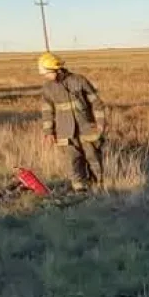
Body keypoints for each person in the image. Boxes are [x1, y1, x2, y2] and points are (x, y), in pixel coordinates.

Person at [37, 51, 108, 192]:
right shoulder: (48, 89)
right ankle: (79, 190)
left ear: (55, 69)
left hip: (87, 128)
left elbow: (96, 103)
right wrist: (49, 132)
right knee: (73, 161)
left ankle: (99, 187)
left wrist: (100, 124)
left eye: (46, 73)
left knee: (93, 157)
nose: (45, 76)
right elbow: (47, 111)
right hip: (65, 132)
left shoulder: (79, 81)